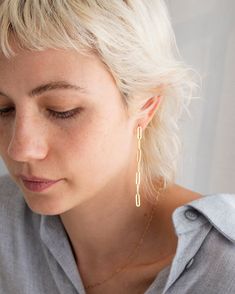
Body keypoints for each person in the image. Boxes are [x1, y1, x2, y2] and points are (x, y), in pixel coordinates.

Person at [0, 1, 234, 293]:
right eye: (4, 109)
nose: (20, 149)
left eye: (62, 110)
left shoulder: (225, 266)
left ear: (146, 105)